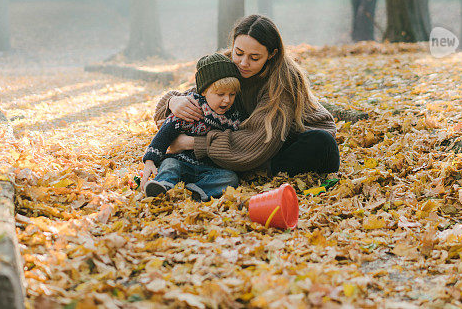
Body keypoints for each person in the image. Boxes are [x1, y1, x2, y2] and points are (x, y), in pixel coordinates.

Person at [155, 14, 340, 176]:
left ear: (271, 54)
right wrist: (173, 101)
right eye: (239, 53)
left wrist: (190, 143)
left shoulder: (284, 80)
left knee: (319, 143)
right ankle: (237, 162)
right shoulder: (228, 63)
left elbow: (260, 141)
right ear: (233, 44)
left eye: (254, 58)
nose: (243, 63)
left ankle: (245, 165)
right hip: (248, 136)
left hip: (292, 138)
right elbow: (199, 98)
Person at [141, 53, 243, 201]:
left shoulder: (232, 118)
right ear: (204, 91)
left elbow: (233, 143)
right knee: (170, 165)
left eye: (232, 94)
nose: (227, 100)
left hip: (210, 169)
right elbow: (165, 132)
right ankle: (162, 187)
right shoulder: (192, 107)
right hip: (181, 161)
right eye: (220, 94)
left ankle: (197, 191)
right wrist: (150, 160)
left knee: (230, 178)